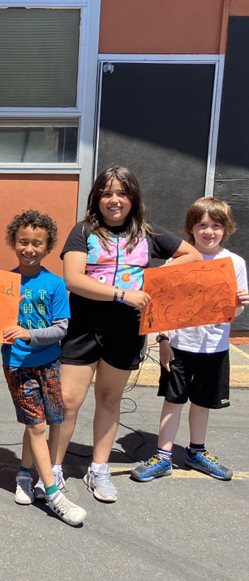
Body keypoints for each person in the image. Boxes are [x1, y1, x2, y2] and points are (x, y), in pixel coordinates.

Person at [53, 165, 201, 503]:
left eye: (121, 193)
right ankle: (54, 469)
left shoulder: (147, 234)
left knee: (109, 400)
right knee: (68, 400)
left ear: (133, 198)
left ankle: (99, 469)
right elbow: (74, 279)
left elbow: (191, 255)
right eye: (106, 193)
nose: (114, 200)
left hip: (127, 329)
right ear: (96, 198)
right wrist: (123, 294)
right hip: (84, 325)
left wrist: (154, 277)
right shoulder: (83, 231)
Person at [132, 197, 248, 482]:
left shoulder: (235, 263)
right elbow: (160, 306)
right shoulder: (178, 260)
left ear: (226, 229)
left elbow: (235, 310)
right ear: (191, 229)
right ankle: (163, 456)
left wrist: (240, 302)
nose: (209, 232)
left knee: (202, 402)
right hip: (180, 346)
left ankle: (197, 452)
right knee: (173, 400)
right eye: (202, 225)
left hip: (215, 347)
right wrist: (163, 341)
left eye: (216, 226)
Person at [1, 210, 86, 526]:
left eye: (37, 243)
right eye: (23, 241)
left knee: (43, 422)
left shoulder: (55, 284)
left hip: (48, 363)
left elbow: (61, 328)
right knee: (36, 425)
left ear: (48, 247)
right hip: (17, 364)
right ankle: (53, 494)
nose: (29, 248)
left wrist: (29, 334)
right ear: (13, 242)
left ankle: (25, 473)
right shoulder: (5, 282)